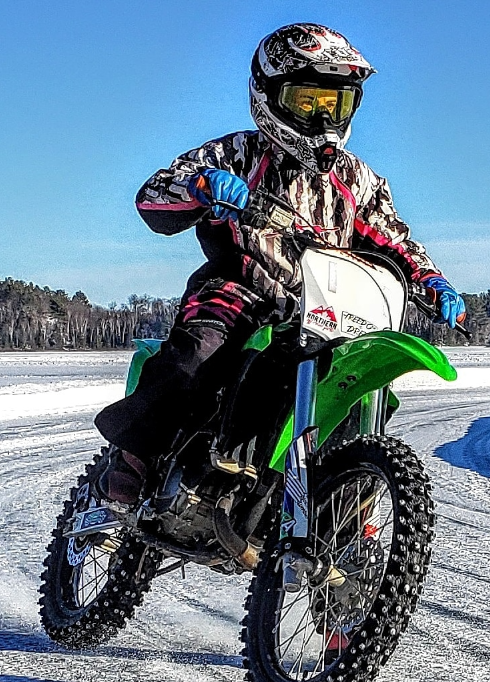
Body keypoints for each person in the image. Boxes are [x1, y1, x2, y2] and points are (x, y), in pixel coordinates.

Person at [93, 22, 466, 503]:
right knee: (199, 352)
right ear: (269, 95)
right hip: (240, 290)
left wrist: (431, 280)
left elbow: (393, 236)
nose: (323, 117)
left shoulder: (357, 179)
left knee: (363, 391)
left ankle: (342, 514)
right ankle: (132, 462)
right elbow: (152, 196)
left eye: (336, 103)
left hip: (330, 310)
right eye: (307, 101)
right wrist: (200, 186)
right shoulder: (238, 152)